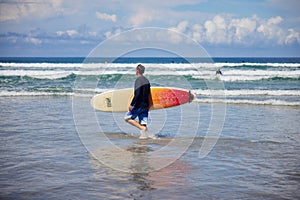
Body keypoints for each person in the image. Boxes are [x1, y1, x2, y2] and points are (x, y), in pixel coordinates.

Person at [124, 64, 156, 139]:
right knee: (143, 123)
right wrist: (149, 105)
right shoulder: (147, 80)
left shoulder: (138, 80)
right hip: (145, 105)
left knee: (127, 118)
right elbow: (148, 94)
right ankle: (146, 137)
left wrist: (131, 104)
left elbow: (137, 94)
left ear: (137, 71)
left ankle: (142, 129)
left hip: (139, 105)